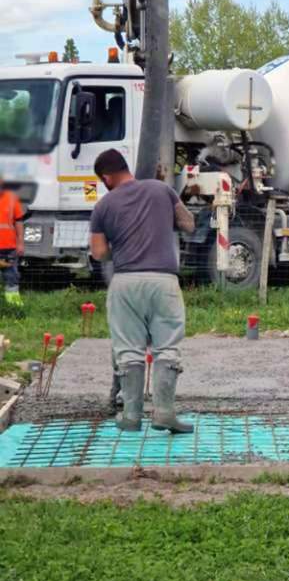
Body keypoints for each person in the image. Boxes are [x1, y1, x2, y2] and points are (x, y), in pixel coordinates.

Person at [89, 149, 196, 434]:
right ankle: (164, 413)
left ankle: (131, 416)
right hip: (163, 281)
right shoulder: (162, 190)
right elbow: (188, 223)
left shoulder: (103, 206)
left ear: (107, 177)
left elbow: (99, 253)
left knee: (128, 350)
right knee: (167, 347)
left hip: (125, 283)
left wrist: (124, 249)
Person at [0, 174, 24, 308]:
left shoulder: (12, 198)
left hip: (8, 248)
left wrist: (20, 243)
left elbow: (19, 221)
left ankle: (13, 307)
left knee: (11, 278)